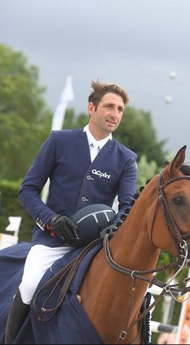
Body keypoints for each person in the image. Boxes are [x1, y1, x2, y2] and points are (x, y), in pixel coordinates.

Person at [5, 79, 138, 343]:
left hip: (93, 247)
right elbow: (28, 190)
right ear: (92, 108)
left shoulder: (126, 159)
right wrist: (50, 219)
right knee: (30, 285)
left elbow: (127, 206)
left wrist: (116, 225)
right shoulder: (59, 141)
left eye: (120, 110)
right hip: (52, 239)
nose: (115, 114)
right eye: (109, 106)